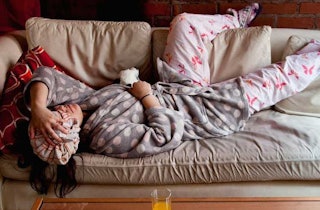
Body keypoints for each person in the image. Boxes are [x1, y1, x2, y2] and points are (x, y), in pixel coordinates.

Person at [21, 3, 320, 196]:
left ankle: (234, 20)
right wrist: (146, 95)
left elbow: (46, 74)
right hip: (203, 111)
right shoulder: (104, 136)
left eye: (54, 111)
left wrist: (37, 110)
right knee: (273, 79)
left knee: (184, 23)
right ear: (72, 134)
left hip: (177, 84)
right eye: (62, 120)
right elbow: (165, 134)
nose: (63, 111)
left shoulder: (82, 102)